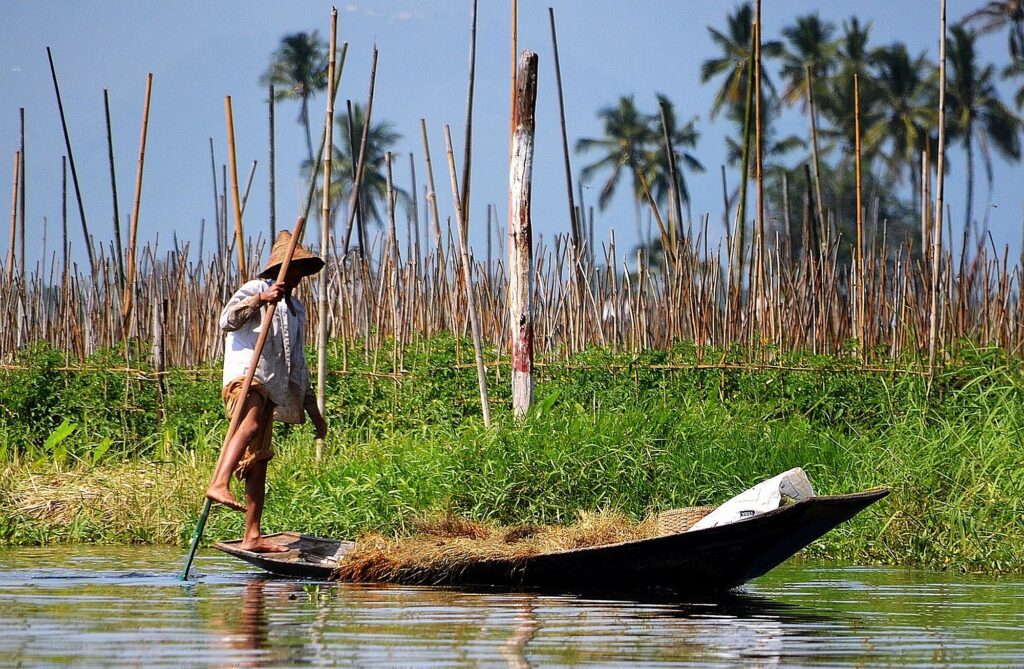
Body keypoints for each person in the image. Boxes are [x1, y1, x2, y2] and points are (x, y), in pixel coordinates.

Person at [205, 231, 328, 553]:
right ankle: (219, 482)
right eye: (297, 268)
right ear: (281, 268)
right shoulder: (254, 289)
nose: (300, 275)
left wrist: (313, 411)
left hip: (271, 385)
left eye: (303, 269)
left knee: (259, 462)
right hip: (246, 376)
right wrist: (261, 300)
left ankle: (252, 535)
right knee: (251, 425)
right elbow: (226, 321)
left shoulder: (295, 309)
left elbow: (297, 363)